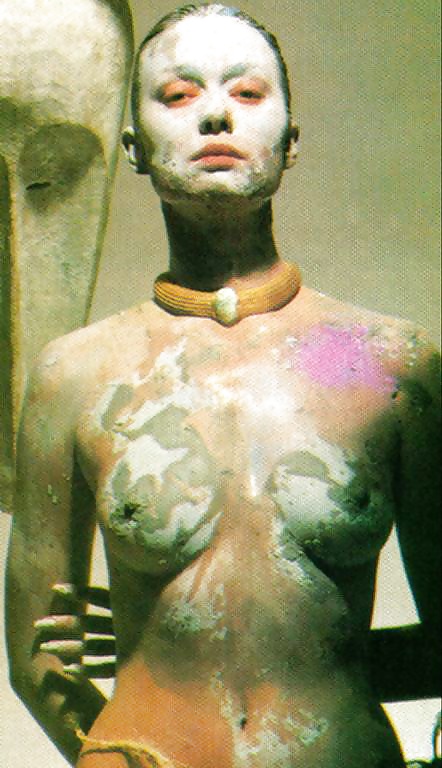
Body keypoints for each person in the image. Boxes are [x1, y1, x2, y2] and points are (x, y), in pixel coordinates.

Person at [6, 5, 440, 767]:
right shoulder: (76, 375)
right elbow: (36, 656)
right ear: (133, 148)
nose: (214, 115)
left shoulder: (383, 363)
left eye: (246, 93)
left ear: (290, 141)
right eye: (177, 96)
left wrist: (314, 666)